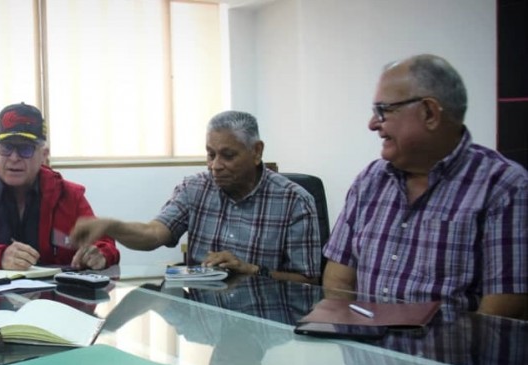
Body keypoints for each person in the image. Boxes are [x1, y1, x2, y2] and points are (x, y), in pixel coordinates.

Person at [322, 54, 528, 319]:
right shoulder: (370, 180)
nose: (372, 124)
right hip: (365, 344)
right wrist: (352, 334)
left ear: (429, 113)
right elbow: (338, 279)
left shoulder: (504, 187)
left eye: (383, 110)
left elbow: (502, 312)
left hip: (449, 348)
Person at [70, 110, 322, 284]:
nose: (215, 166)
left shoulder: (295, 201)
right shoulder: (195, 187)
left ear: (256, 152)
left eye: (228, 156)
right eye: (210, 154)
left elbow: (309, 280)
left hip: (267, 323)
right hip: (204, 318)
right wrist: (112, 226)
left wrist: (251, 270)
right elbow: (154, 234)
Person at [0, 103, 119, 275]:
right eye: (6, 148)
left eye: (25, 149)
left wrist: (100, 255)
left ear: (44, 155)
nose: (14, 158)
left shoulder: (69, 196)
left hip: (53, 300)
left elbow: (105, 244)